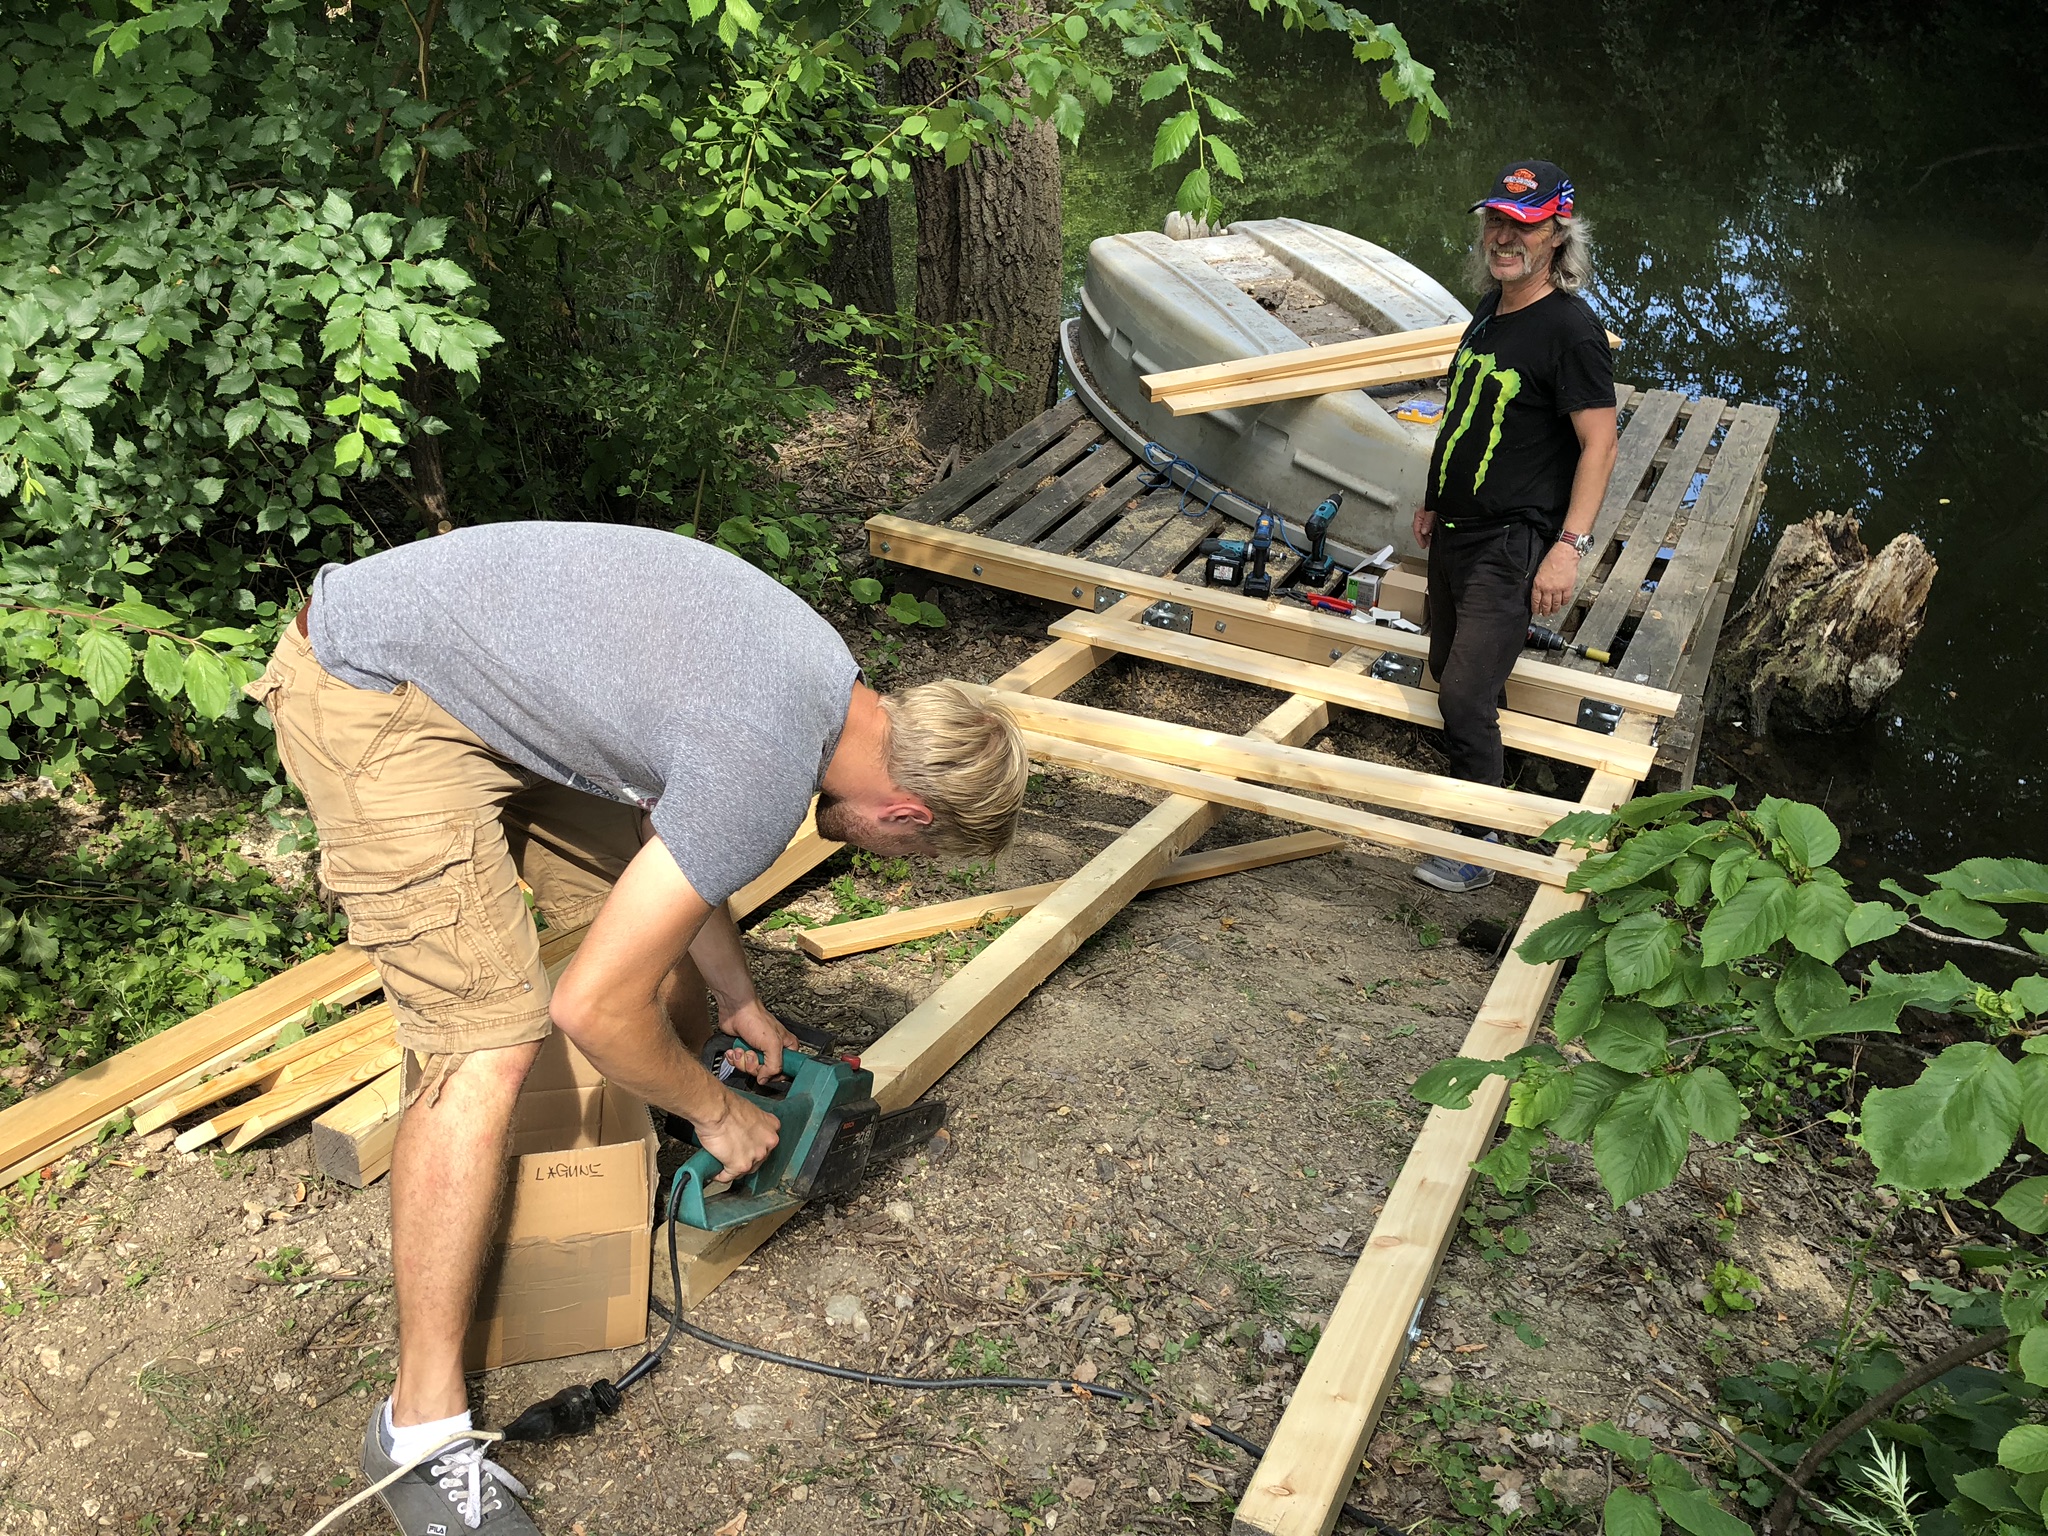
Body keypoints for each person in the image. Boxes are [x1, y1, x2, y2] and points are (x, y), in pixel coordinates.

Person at [249, 522, 1027, 1535]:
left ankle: (657, 1122)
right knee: (487, 1043)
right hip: (376, 686)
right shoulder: (763, 770)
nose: (889, 862)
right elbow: (588, 1006)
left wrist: (740, 1003)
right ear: (909, 814)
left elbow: (672, 825)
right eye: (908, 855)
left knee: (650, 958)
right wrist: (718, 1113)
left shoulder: (830, 685)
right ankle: (417, 1432)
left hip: (479, 677)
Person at [1411, 159, 1619, 893]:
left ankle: (1478, 845)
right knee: (1453, 671)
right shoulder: (1489, 310)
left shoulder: (1571, 331)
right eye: (1497, 221)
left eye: (1523, 227)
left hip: (1511, 541)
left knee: (1464, 694)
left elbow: (1600, 445)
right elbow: (1464, 413)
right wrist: (1434, 497)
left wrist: (1569, 548)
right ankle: (1490, 791)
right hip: (1457, 530)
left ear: (1558, 235)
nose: (1504, 238)